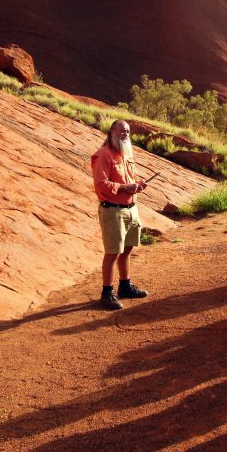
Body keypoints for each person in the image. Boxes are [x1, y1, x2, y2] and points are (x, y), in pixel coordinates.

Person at [91, 120, 149, 310]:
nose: (125, 134)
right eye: (122, 130)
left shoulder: (125, 153)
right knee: (113, 252)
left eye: (128, 131)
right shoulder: (103, 155)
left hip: (130, 209)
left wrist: (137, 184)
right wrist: (125, 187)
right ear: (112, 132)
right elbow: (101, 184)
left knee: (127, 249)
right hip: (113, 210)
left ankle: (125, 286)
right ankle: (107, 293)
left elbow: (129, 178)